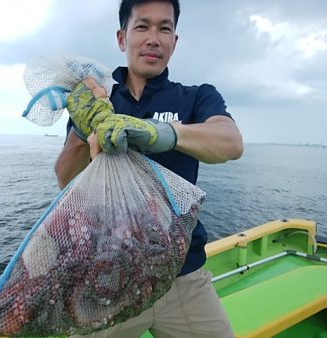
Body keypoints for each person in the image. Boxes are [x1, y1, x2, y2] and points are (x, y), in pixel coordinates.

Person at [54, 0, 244, 337]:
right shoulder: (97, 100)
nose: (153, 38)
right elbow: (66, 180)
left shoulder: (196, 98)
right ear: (121, 37)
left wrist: (166, 133)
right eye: (142, 26)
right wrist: (81, 134)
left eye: (164, 28)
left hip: (183, 277)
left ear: (175, 41)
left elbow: (230, 142)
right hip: (108, 280)